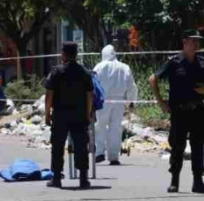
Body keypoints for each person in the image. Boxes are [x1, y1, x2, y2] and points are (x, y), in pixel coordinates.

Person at [150, 30, 204, 194]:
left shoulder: (202, 63)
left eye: (198, 41)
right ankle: (174, 181)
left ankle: (198, 182)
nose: (196, 44)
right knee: (177, 146)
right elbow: (153, 79)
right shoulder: (174, 62)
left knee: (198, 145)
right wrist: (161, 102)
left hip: (198, 110)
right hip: (179, 110)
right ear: (184, 42)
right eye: (193, 41)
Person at [44, 41, 94, 190]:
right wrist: (88, 114)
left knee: (57, 146)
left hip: (60, 114)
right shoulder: (84, 72)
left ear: (63, 54)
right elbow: (90, 96)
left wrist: (47, 114)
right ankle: (83, 179)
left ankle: (56, 178)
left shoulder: (56, 72)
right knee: (81, 145)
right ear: (76, 55)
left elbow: (49, 95)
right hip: (79, 114)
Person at [93, 44, 138, 166]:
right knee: (115, 128)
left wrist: (92, 101)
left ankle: (99, 153)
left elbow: (94, 84)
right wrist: (131, 101)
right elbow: (131, 86)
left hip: (103, 100)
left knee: (100, 126)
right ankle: (113, 157)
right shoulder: (124, 67)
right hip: (119, 101)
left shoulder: (99, 67)